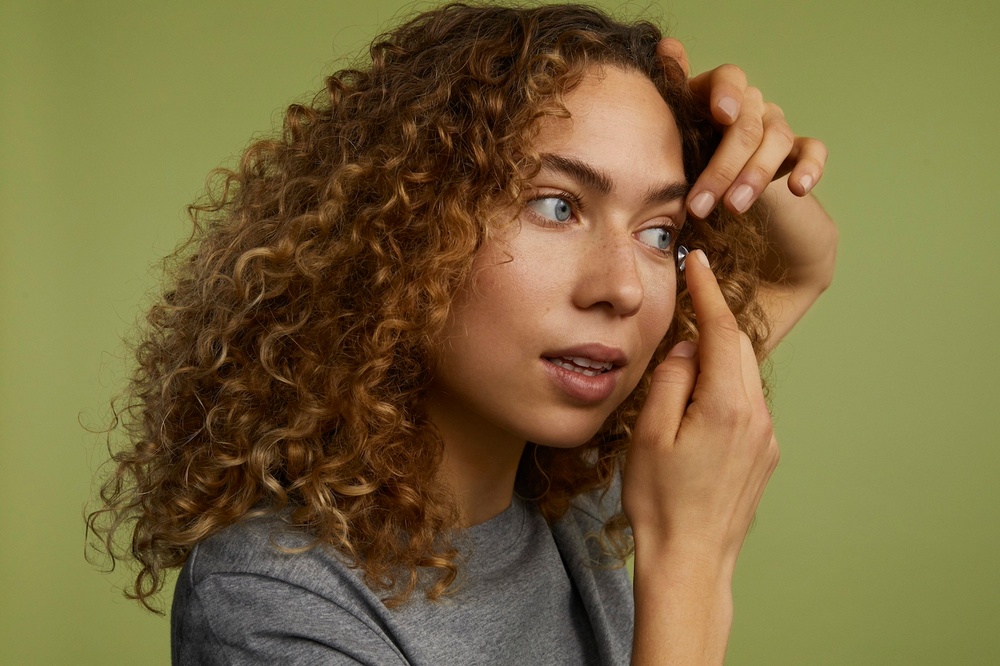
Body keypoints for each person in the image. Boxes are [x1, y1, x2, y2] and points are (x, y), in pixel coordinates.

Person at [87, 3, 837, 664]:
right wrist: (691, 560)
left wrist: (736, 152)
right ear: (406, 231)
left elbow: (802, 265)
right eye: (556, 206)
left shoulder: (570, 491)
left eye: (658, 231)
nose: (624, 288)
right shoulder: (275, 595)